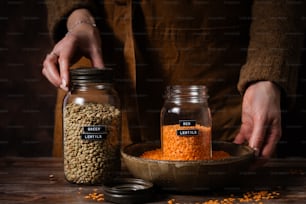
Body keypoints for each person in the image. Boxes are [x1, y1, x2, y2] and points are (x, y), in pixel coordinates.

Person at [42, 1, 305, 161]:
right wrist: (78, 21)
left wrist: (267, 73)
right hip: (91, 73)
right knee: (87, 181)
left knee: (219, 174)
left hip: (211, 68)